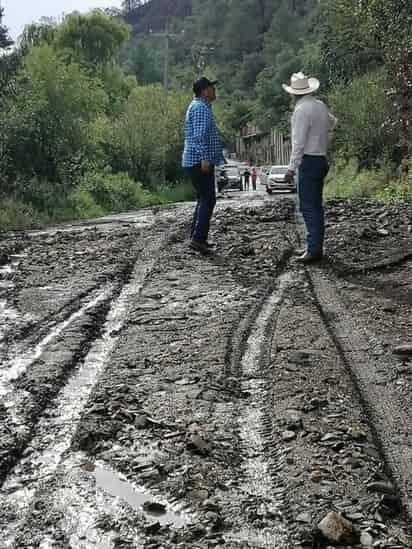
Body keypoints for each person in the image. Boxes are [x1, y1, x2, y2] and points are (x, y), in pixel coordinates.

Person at [283, 72, 337, 264]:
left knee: (308, 207)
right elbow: (333, 122)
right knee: (316, 206)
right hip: (321, 158)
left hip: (309, 160)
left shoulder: (301, 110)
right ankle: (316, 246)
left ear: (294, 94)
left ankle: (313, 249)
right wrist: (320, 135)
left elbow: (298, 143)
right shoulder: (319, 105)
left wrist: (290, 168)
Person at [182, 77, 225, 255]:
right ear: (204, 91)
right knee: (208, 199)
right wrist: (205, 158)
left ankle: (197, 238)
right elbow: (199, 136)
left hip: (197, 160)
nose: (214, 91)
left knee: (203, 199)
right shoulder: (200, 108)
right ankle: (198, 239)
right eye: (212, 88)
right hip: (199, 161)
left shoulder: (201, 106)